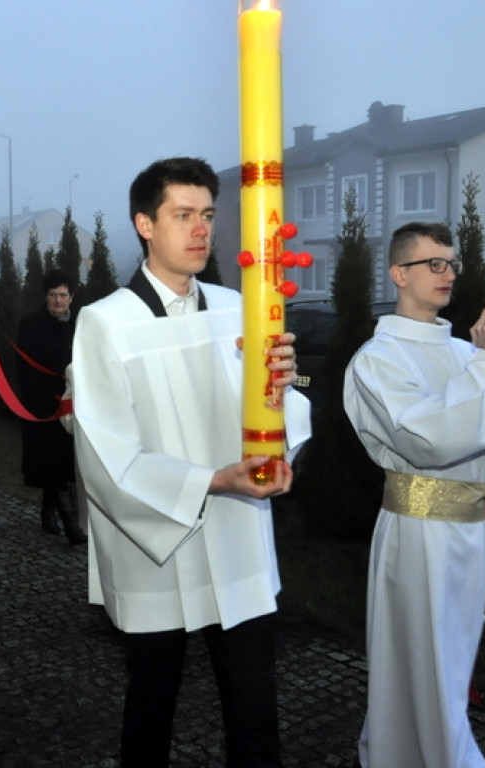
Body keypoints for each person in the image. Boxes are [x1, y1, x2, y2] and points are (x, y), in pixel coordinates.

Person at [71, 157, 310, 767]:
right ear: (145, 224)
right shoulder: (105, 322)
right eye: (183, 215)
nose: (201, 229)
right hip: (158, 547)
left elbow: (272, 416)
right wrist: (212, 480)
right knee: (152, 707)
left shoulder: (240, 307)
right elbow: (105, 449)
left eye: (207, 214)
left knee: (255, 712)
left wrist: (279, 393)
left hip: (237, 536)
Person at [343, 222, 485, 768]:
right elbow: (426, 440)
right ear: (399, 274)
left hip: (469, 531)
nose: (447, 273)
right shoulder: (377, 358)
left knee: (450, 663)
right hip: (417, 531)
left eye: (451, 264)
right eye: (432, 264)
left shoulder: (467, 351)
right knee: (428, 665)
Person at [16, 269, 85, 544]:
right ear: (46, 297)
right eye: (53, 295)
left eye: (63, 295)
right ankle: (71, 525)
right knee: (51, 461)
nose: (58, 301)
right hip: (43, 405)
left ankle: (48, 512)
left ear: (72, 296)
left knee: (63, 464)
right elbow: (24, 370)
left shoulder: (82, 323)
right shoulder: (30, 325)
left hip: (76, 403)